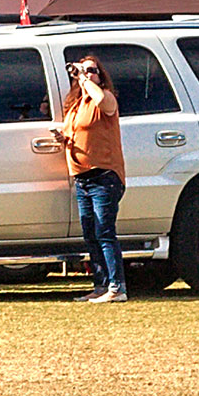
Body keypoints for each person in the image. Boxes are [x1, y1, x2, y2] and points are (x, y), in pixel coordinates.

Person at [52, 52, 128, 303]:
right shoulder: (77, 106)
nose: (87, 73)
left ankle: (117, 288)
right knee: (91, 233)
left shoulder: (104, 99)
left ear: (101, 76)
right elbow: (77, 133)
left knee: (105, 231)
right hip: (82, 178)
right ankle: (101, 285)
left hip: (104, 176)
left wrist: (85, 79)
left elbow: (103, 102)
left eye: (93, 70)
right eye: (83, 70)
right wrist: (64, 139)